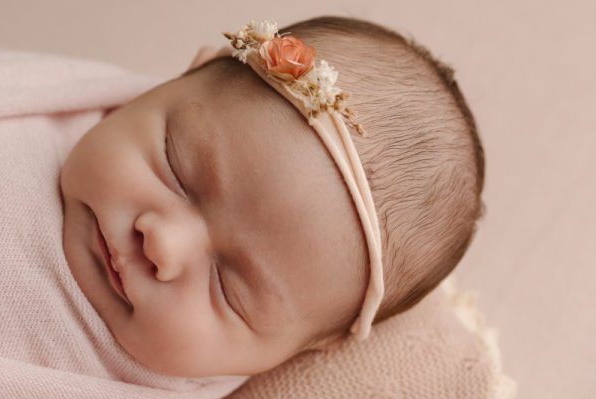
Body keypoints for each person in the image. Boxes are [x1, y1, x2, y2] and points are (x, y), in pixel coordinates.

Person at [60, 15, 486, 378]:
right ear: (181, 78)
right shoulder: (37, 109)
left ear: (298, 353)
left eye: (228, 290)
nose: (164, 244)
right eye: (175, 168)